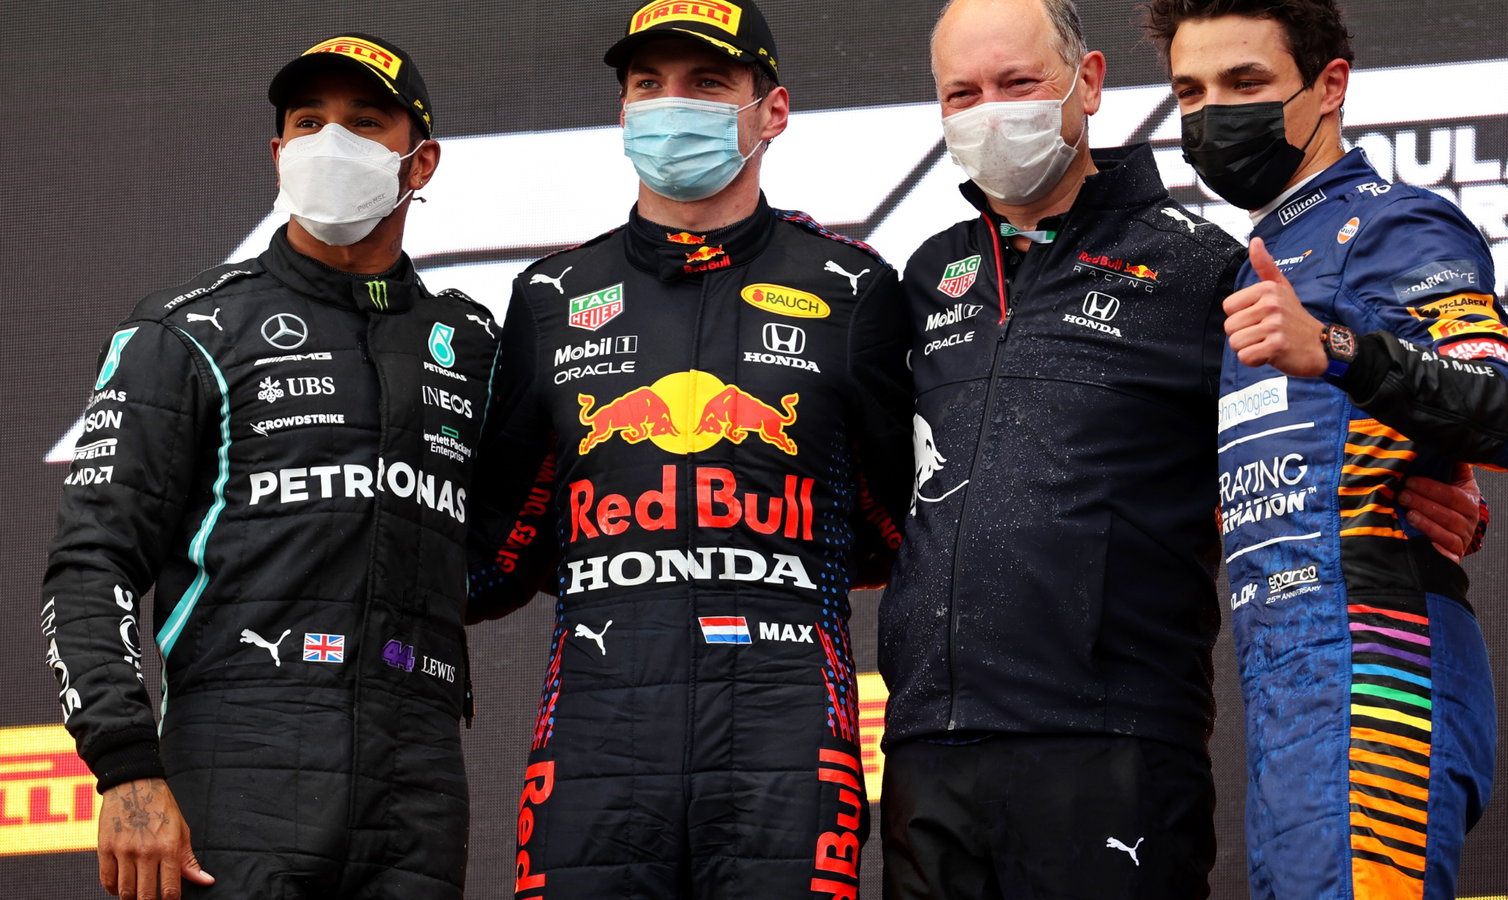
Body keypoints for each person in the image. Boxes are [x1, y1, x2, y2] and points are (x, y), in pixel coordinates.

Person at [876, 1, 1492, 897]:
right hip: (929, 741)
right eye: (961, 93)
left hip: (1116, 735)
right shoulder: (927, 275)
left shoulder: (1206, 269)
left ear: (1088, 84)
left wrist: (1436, 479)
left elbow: (1329, 424)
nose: (989, 110)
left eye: (1018, 83)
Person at [464, 2, 911, 898]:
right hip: (595, 736)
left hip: (788, 737)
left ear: (771, 110)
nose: (674, 105)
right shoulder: (553, 295)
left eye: (708, 84)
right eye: (649, 86)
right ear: (624, 113)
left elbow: (902, 526)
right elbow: (500, 546)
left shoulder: (853, 286)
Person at [40, 33, 498, 899]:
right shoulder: (188, 332)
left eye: (366, 124)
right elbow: (89, 564)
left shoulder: (469, 346)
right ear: (279, 153)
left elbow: (515, 535)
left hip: (420, 773)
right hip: (235, 758)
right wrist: (128, 771)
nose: (334, 144)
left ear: (420, 160)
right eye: (309, 122)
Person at [1146, 1, 1508, 898]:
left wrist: (1334, 345)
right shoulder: (1244, 261)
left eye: (1247, 82)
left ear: (1330, 86)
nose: (1216, 114)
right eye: (1191, 91)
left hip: (1377, 665)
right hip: (1288, 686)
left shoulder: (1395, 226)